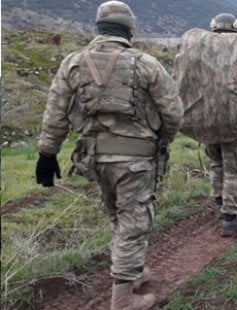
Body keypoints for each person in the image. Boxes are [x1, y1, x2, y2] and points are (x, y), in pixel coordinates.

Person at [34, 1, 184, 309]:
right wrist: (163, 140)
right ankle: (123, 299)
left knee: (118, 216)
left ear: (99, 28)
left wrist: (47, 154)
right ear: (128, 29)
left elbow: (55, 113)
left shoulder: (73, 63)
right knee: (134, 221)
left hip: (95, 158)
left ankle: (133, 273)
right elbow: (173, 112)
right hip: (135, 160)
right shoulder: (146, 63)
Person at [174, 13, 237, 237]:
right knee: (235, 167)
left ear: (214, 27)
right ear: (236, 28)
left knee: (216, 163)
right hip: (234, 120)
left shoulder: (197, 48)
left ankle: (219, 203)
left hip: (203, 119)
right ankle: (230, 218)